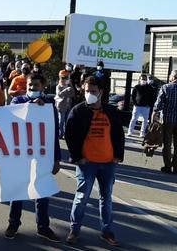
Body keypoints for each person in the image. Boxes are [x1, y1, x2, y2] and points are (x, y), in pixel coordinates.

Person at [64, 76, 125, 247]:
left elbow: (119, 135)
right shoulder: (77, 111)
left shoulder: (111, 111)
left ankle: (107, 232)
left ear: (101, 92)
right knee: (81, 197)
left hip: (108, 163)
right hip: (87, 163)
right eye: (86, 91)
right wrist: (77, 157)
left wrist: (118, 156)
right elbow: (70, 136)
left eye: (93, 91)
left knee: (106, 198)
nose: (89, 94)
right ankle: (74, 230)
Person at [5, 72, 62, 242]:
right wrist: (31, 104)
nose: (31, 88)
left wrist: (57, 158)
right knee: (18, 190)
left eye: (36, 85)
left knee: (42, 191)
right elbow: (12, 118)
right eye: (30, 85)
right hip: (21, 154)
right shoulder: (18, 101)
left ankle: (43, 227)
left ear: (43, 87)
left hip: (41, 155)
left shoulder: (49, 105)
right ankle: (13, 224)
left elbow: (53, 133)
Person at [55, 70, 76, 138]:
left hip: (68, 106)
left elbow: (73, 94)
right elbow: (59, 94)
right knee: (61, 121)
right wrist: (66, 90)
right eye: (63, 78)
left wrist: (71, 86)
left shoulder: (69, 85)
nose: (64, 79)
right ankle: (61, 133)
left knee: (67, 121)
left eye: (66, 78)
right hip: (61, 106)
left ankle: (65, 133)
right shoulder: (58, 86)